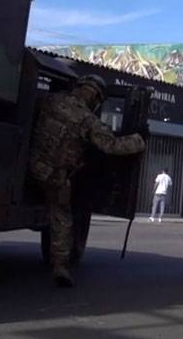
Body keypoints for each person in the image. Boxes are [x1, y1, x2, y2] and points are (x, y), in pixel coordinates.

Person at [29, 75, 146, 287]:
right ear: (95, 98)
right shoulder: (86, 119)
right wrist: (139, 140)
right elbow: (112, 146)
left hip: (33, 167)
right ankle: (60, 266)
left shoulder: (51, 101)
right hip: (56, 176)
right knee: (61, 218)